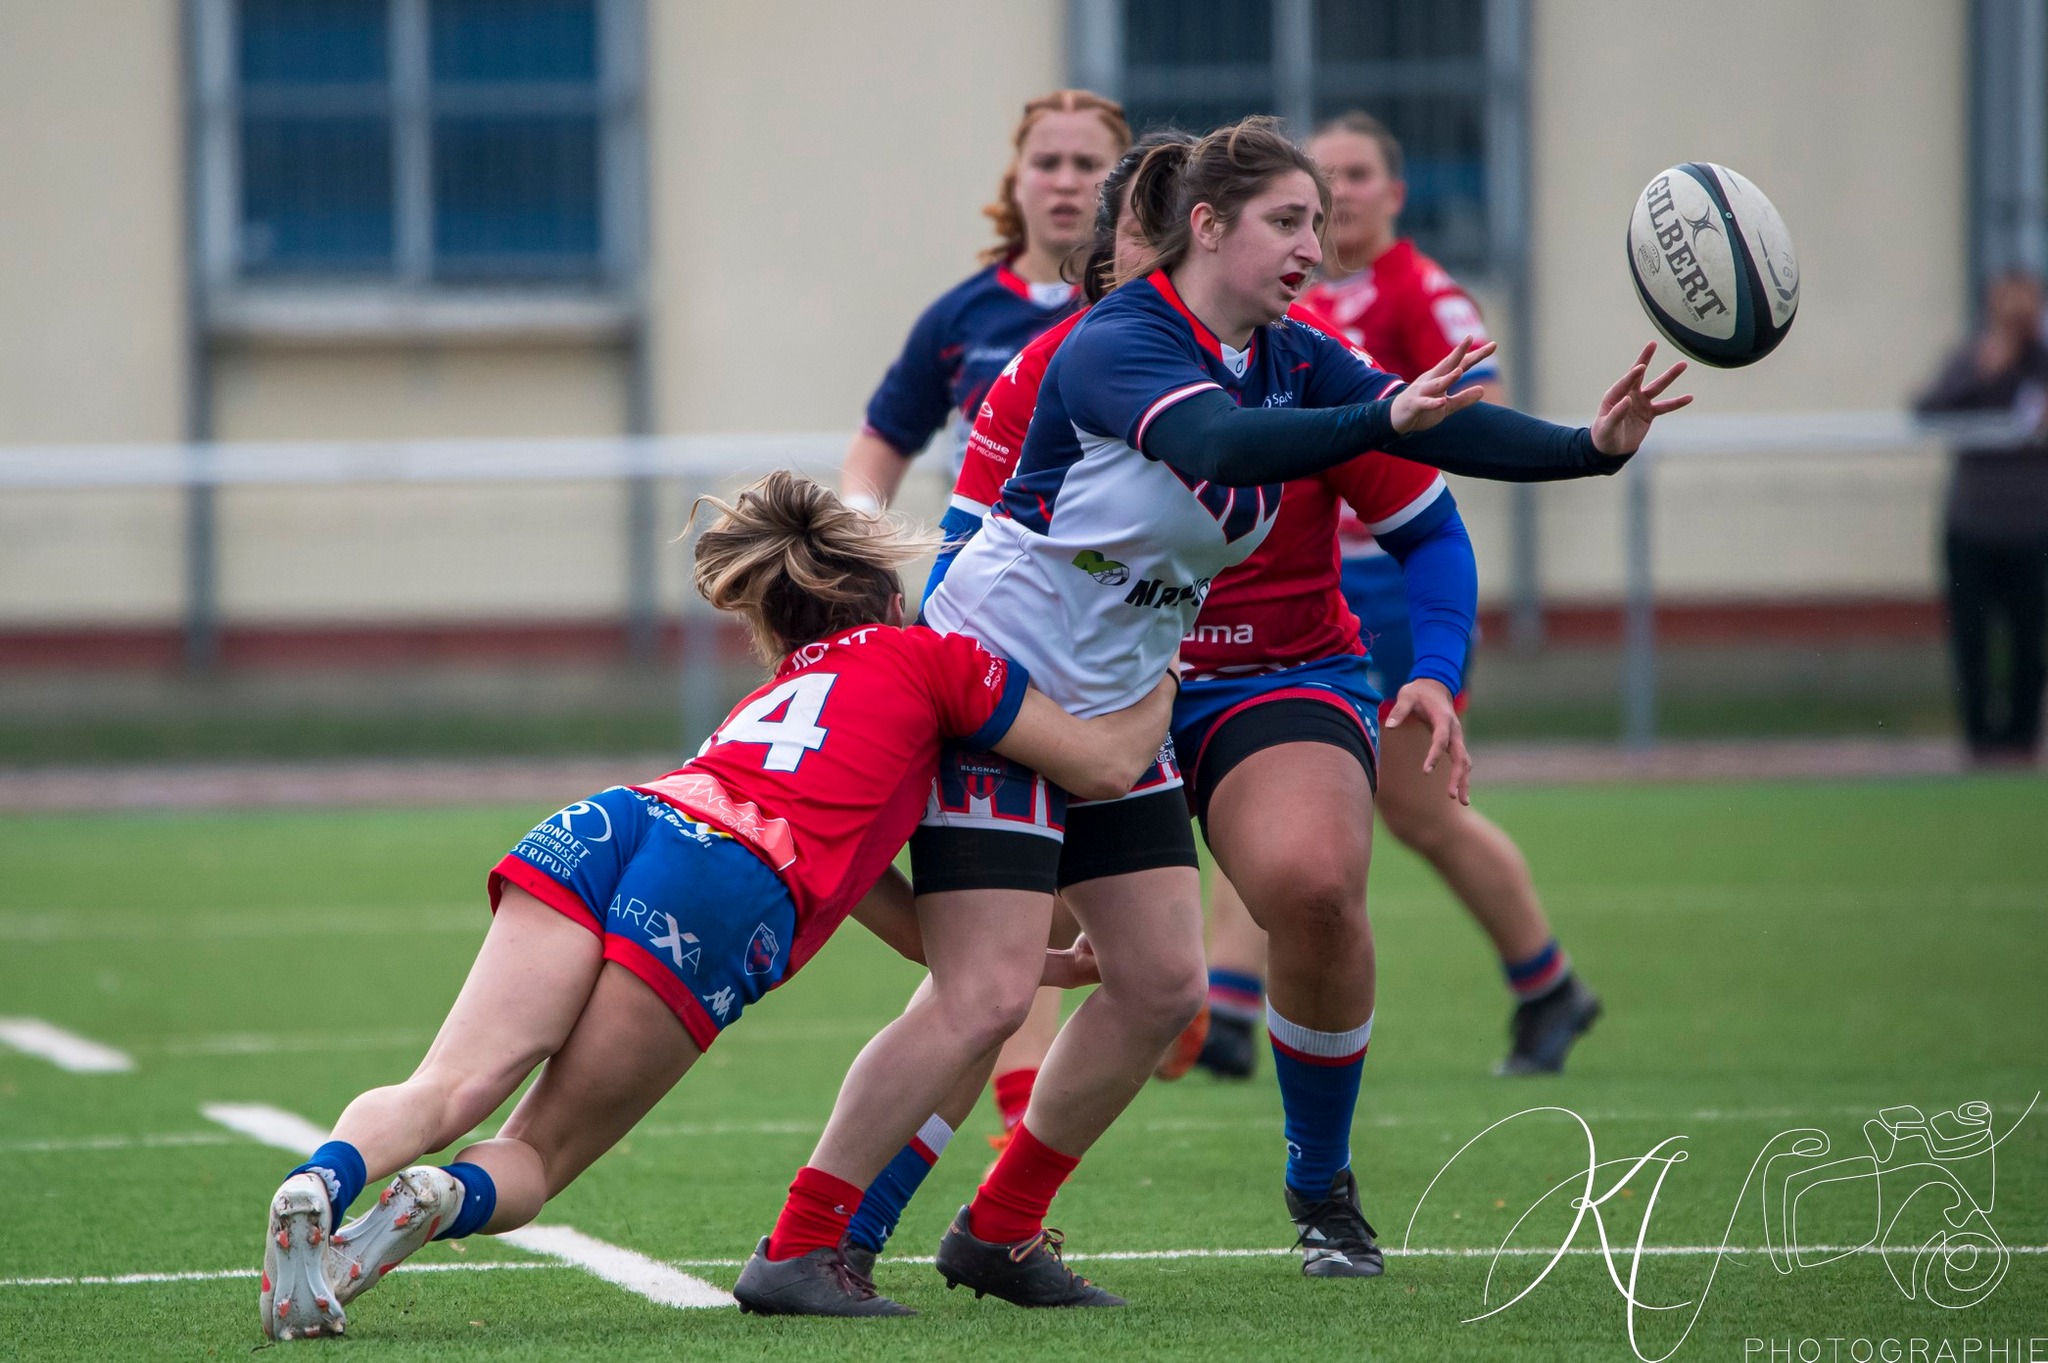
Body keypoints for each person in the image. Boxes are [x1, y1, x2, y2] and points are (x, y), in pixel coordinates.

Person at [739, 116, 1692, 1315]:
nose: (1317, 242)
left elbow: (1423, 426)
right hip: (1002, 691)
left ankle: (999, 1230)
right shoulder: (1115, 343)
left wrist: (1587, 448)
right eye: (1287, 222)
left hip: (1121, 703)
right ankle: (802, 1242)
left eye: (1319, 220)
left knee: (1158, 983)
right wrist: (1377, 419)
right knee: (983, 993)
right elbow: (1215, 441)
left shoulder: (1285, 352)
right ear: (1206, 226)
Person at [254, 471, 1178, 1339]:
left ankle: (321, 1182)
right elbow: (1102, 763)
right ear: (889, 601)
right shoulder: (933, 658)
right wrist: (1166, 671)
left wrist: (1039, 964)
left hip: (616, 821)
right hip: (724, 875)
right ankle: (442, 1198)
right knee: (537, 1150)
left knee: (446, 1085)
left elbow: (876, 901)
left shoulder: (781, 690)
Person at [1189, 110, 1603, 1083]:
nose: (1341, 198)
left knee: (1414, 811)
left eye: (1357, 177)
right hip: (1293, 578)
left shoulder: (1409, 291)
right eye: (1321, 183)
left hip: (1379, 584)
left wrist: (1576, 445)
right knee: (1253, 785)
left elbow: (1467, 410)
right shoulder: (1269, 302)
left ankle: (1545, 981)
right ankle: (1228, 1009)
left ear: (1392, 191)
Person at [840, 90, 1129, 512]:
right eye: (1047, 163)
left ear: (1124, 186)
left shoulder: (1146, 305)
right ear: (1017, 181)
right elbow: (884, 436)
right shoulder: (959, 315)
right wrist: (858, 525)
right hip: (980, 561)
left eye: (1087, 165)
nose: (1065, 182)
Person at [1916, 269, 2048, 765]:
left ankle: (2021, 745)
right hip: (1972, 526)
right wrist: (1983, 373)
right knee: (1970, 644)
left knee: (2028, 643)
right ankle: (1979, 746)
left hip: (2033, 528)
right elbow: (1926, 408)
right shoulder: (1973, 358)